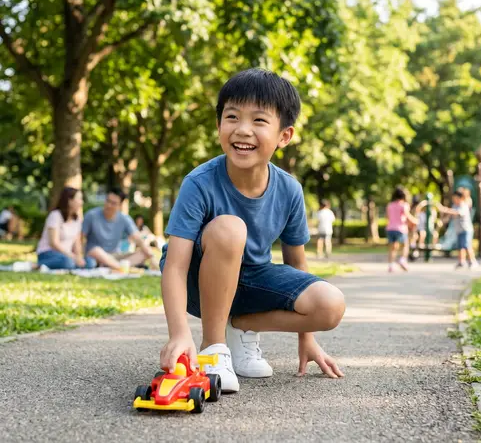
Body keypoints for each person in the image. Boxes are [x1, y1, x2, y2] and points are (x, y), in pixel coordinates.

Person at [159, 68, 346, 393]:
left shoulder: (289, 190)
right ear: (219, 125)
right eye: (232, 117)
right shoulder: (199, 183)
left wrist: (308, 339)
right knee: (230, 228)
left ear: (284, 136)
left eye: (259, 121)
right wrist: (179, 332)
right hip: (197, 282)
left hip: (253, 282)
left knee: (331, 305)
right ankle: (214, 349)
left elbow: (297, 267)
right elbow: (175, 265)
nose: (242, 130)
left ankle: (240, 325)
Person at [82, 188, 155, 271]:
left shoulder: (124, 218)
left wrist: (151, 257)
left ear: (120, 205)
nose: (109, 205)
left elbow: (138, 238)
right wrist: (80, 255)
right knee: (95, 250)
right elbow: (80, 237)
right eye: (108, 201)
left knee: (143, 253)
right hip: (96, 255)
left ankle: (114, 266)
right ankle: (121, 267)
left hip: (115, 255)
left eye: (113, 203)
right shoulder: (91, 215)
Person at [36, 187, 91, 270]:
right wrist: (72, 256)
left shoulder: (77, 219)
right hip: (48, 253)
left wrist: (79, 257)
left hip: (66, 255)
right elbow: (53, 243)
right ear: (70, 201)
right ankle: (36, 265)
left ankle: (69, 264)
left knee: (90, 262)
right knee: (68, 262)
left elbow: (76, 243)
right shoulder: (55, 216)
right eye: (79, 199)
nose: (81, 202)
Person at [436, 190, 478, 268]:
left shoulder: (463, 205)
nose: (454, 200)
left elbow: (457, 213)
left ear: (460, 198)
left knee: (467, 246)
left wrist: (445, 209)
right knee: (460, 247)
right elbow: (450, 217)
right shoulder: (455, 206)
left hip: (466, 230)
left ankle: (472, 261)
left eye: (455, 198)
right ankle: (461, 261)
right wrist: (442, 221)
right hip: (459, 230)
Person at [386, 187, 418, 272]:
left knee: (392, 248)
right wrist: (415, 221)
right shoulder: (404, 205)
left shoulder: (390, 205)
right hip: (400, 229)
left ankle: (391, 265)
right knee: (405, 245)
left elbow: (388, 217)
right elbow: (407, 217)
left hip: (390, 228)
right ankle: (402, 260)